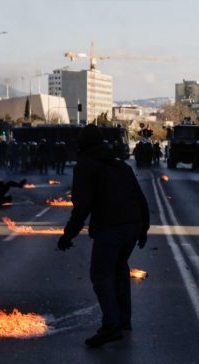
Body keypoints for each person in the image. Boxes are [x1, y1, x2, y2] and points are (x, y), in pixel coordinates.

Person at [57, 124, 150, 348]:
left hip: (111, 227)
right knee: (119, 269)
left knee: (100, 274)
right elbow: (140, 197)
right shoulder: (119, 165)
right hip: (132, 225)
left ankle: (111, 326)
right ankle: (123, 319)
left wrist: (67, 236)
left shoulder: (86, 166)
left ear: (82, 144)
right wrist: (143, 228)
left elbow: (82, 207)